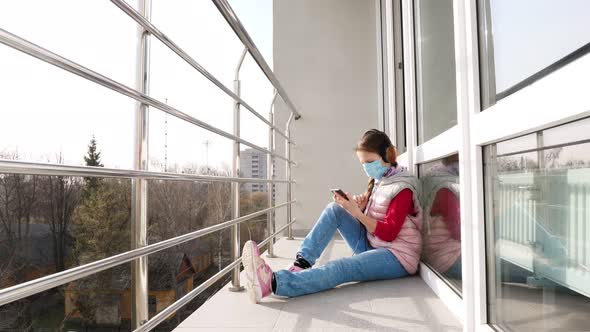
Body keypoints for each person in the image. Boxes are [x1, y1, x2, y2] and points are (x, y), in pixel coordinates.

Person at [241, 129, 423, 303]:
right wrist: (361, 206)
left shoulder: (402, 188)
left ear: (388, 156)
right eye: (363, 163)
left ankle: (272, 283)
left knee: (343, 267)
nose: (367, 168)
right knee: (334, 209)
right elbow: (378, 216)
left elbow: (390, 233)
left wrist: (356, 213)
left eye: (370, 162)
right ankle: (301, 264)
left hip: (397, 257)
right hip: (374, 244)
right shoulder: (381, 179)